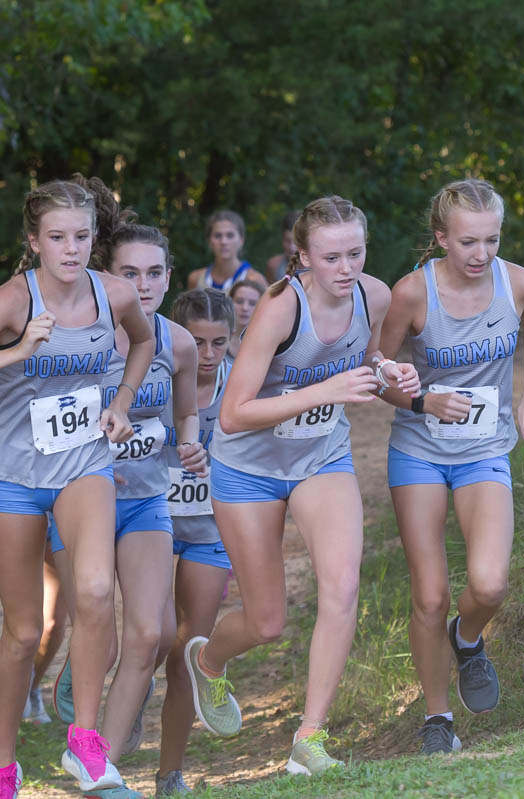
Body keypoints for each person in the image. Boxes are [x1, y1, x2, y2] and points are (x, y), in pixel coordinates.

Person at [0, 175, 154, 799]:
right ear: (34, 241)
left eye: (81, 236)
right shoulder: (11, 301)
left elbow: (145, 342)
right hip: (14, 477)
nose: (71, 249)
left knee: (97, 593)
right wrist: (13, 351)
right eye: (57, 238)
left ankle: (86, 744)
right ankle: (4, 767)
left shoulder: (115, 294)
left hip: (84, 464)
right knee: (24, 633)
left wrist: (124, 401)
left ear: (95, 237)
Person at [183, 196, 420, 775]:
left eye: (356, 254)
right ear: (303, 256)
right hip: (248, 468)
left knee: (342, 585)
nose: (346, 269)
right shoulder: (279, 308)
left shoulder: (375, 295)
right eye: (332, 257)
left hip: (321, 457)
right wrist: (328, 390)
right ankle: (208, 662)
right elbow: (234, 413)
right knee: (266, 622)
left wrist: (393, 374)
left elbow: (367, 362)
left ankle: (309, 740)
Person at [377, 178, 524, 755]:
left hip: (483, 450)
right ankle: (437, 719)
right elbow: (376, 368)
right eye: (468, 242)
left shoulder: (517, 283)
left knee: (490, 583)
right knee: (429, 595)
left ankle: (468, 639)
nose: (481, 254)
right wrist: (420, 397)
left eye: (492, 240)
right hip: (420, 451)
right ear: (441, 239)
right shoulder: (411, 293)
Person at [47, 223, 205, 798]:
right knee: (104, 634)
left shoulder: (178, 342)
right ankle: (80, 665)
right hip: (78, 500)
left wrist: (189, 444)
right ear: (108, 275)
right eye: (129, 273)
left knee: (151, 632)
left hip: (145, 501)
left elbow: (185, 415)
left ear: (169, 275)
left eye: (155, 272)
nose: (143, 285)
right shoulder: (72, 333)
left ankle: (98, 769)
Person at [155, 288, 236, 797]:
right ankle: (123, 716)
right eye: (197, 342)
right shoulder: (152, 376)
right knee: (153, 636)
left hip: (210, 532)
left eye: (219, 343)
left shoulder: (243, 381)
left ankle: (170, 773)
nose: (207, 355)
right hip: (152, 524)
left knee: (188, 649)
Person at [0, 397, 63, 726]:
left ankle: (32, 685)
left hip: (72, 492)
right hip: (20, 496)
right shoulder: (33, 357)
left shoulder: (99, 362)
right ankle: (12, 700)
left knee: (52, 622)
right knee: (22, 625)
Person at [186, 210, 268, 293]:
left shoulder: (255, 279)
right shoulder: (195, 279)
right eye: (217, 235)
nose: (223, 241)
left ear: (241, 240)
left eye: (230, 235)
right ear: (209, 241)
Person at [226, 279, 264, 364]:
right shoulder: (218, 337)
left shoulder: (267, 342)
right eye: (239, 301)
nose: (245, 308)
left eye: (252, 303)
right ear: (229, 302)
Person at [265, 210, 301, 282]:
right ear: (282, 239)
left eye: (296, 241)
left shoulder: (316, 266)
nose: (292, 247)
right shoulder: (274, 266)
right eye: (287, 241)